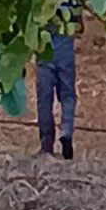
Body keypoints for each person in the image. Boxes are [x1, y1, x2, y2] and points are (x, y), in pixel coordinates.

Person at [35, 20, 77, 160]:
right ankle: (67, 132)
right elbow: (79, 26)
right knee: (68, 96)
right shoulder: (74, 0)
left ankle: (47, 145)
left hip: (45, 49)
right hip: (66, 49)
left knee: (45, 101)